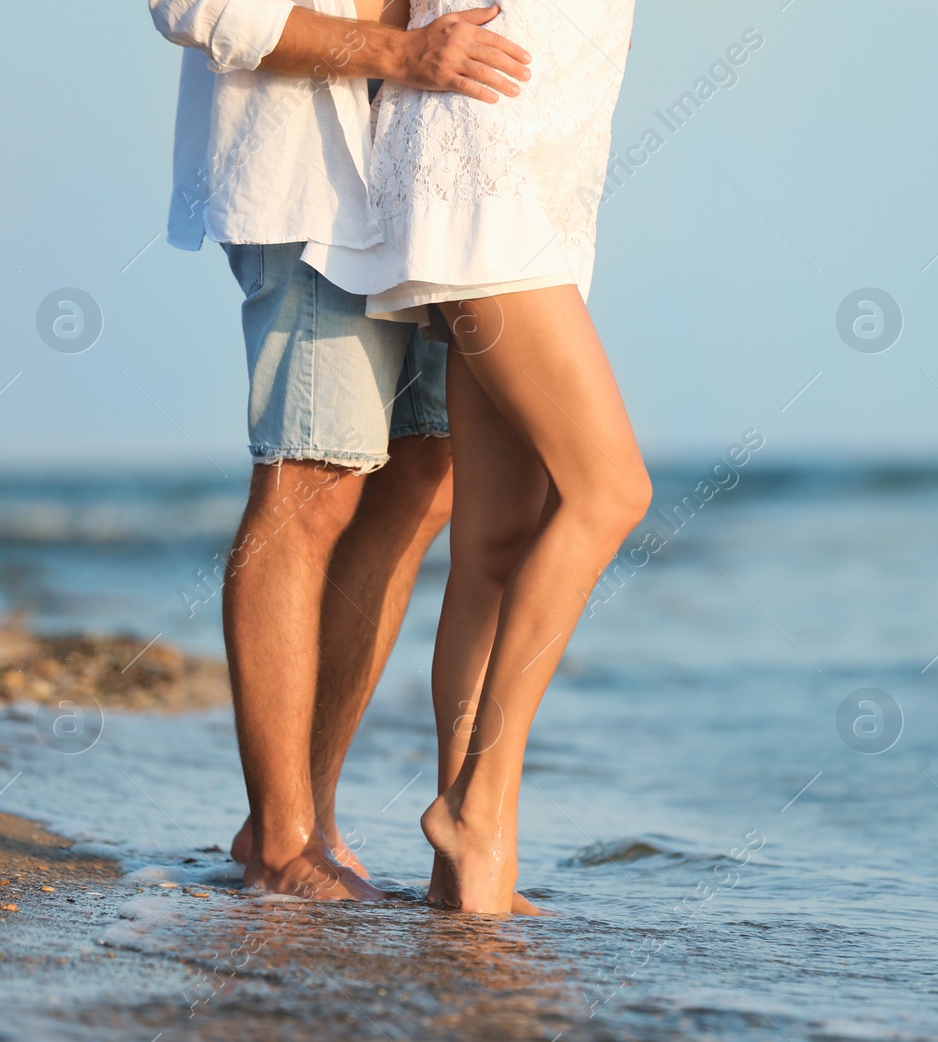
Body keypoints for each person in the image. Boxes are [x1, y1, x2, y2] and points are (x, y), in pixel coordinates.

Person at [147, 0, 535, 902]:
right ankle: (282, 845)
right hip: (312, 184)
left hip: (440, 188)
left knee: (427, 479)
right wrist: (398, 52)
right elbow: (197, 9)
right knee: (309, 482)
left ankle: (305, 814)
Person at [304, 0, 650, 914]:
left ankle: (465, 866)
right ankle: (479, 810)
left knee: (496, 539)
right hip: (480, 157)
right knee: (611, 492)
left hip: (549, 151)